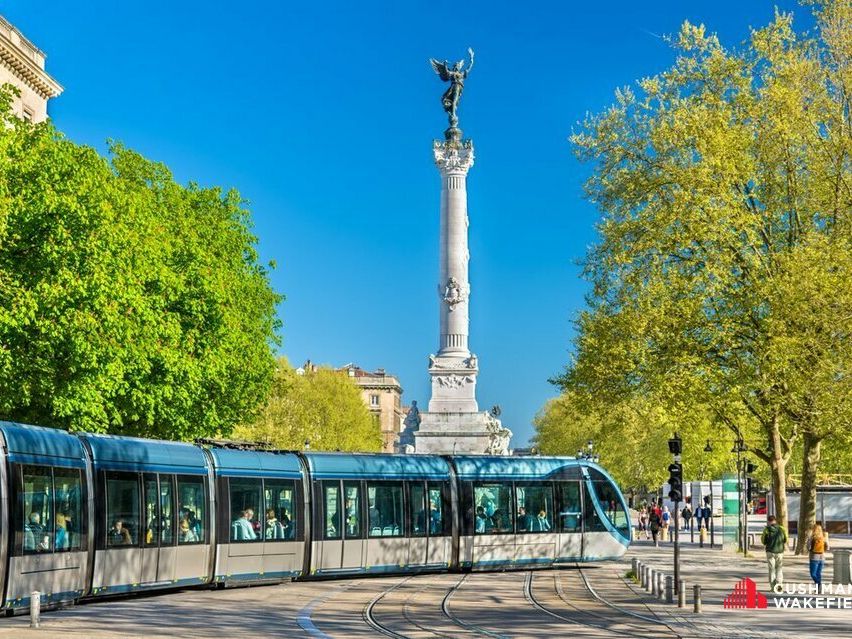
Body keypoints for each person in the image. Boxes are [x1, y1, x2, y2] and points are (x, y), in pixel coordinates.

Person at [761, 515, 787, 591]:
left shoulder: (766, 530)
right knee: (779, 569)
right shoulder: (781, 528)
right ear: (775, 520)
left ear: (768, 521)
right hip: (779, 552)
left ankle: (773, 587)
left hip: (770, 552)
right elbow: (785, 539)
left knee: (771, 569)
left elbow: (763, 541)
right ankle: (779, 586)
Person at [807, 524, 829, 591]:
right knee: (818, 574)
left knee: (813, 574)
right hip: (822, 557)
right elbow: (828, 547)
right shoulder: (824, 537)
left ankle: (819, 585)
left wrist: (808, 540)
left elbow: (808, 547)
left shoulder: (812, 537)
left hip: (814, 557)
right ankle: (818, 589)